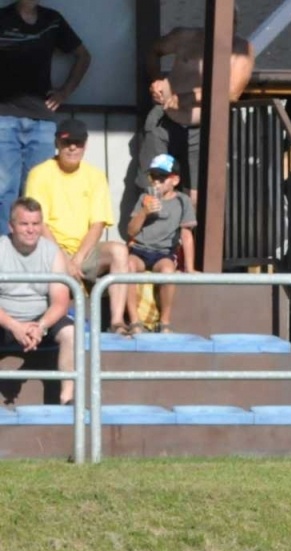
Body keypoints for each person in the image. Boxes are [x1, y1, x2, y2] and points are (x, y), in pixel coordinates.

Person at [23, 117, 132, 333]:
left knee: (120, 251)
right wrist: (63, 258)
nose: (72, 147)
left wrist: (78, 259)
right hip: (49, 249)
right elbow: (40, 224)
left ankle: (117, 321)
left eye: (78, 142)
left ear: (85, 145)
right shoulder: (39, 173)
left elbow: (98, 223)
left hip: (83, 252)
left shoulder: (95, 175)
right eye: (66, 142)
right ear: (57, 143)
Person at [0, 0, 89, 236]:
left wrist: (65, 92)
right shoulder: (3, 17)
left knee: (36, 192)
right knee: (3, 191)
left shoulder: (52, 20)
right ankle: (4, 257)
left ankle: (33, 256)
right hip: (4, 118)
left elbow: (83, 56)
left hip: (42, 120)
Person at [141, 26, 256, 206]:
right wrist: (156, 80)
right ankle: (152, 232)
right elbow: (153, 51)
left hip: (200, 129)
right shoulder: (185, 37)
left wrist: (186, 99)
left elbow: (232, 93)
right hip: (165, 121)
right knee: (151, 184)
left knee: (194, 193)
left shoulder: (241, 49)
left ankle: (189, 233)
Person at [0, 197, 75, 404]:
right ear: (11, 226)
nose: (31, 230)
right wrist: (14, 326)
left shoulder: (53, 252)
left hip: (41, 320)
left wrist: (40, 326)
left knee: (71, 333)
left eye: (36, 224)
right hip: (5, 321)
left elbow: (60, 302)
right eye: (24, 224)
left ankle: (67, 397)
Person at [123, 153, 195, 334]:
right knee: (128, 266)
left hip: (163, 252)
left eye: (161, 178)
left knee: (167, 271)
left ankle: (165, 321)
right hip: (140, 249)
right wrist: (144, 212)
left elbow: (186, 234)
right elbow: (131, 231)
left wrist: (190, 267)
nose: (156, 183)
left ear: (175, 180)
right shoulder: (144, 197)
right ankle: (134, 320)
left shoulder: (182, 201)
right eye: (153, 177)